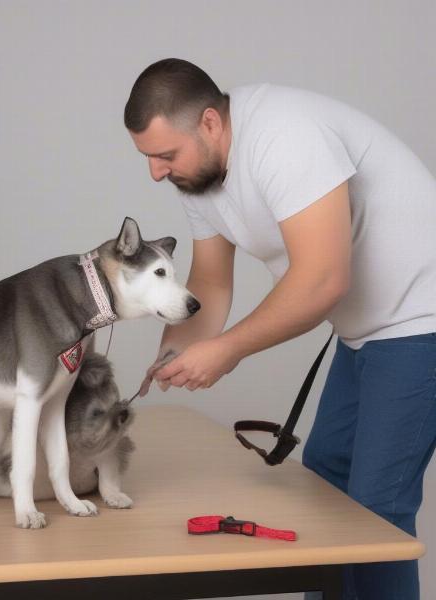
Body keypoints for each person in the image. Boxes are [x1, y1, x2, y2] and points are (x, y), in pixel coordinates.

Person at [124, 58, 436, 600]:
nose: (155, 172)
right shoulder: (199, 172)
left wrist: (225, 352)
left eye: (164, 155)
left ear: (211, 123)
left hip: (422, 323)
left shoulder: (285, 136)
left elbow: (322, 280)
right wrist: (173, 353)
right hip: (369, 332)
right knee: (327, 480)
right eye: (148, 158)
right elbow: (213, 283)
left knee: (376, 513)